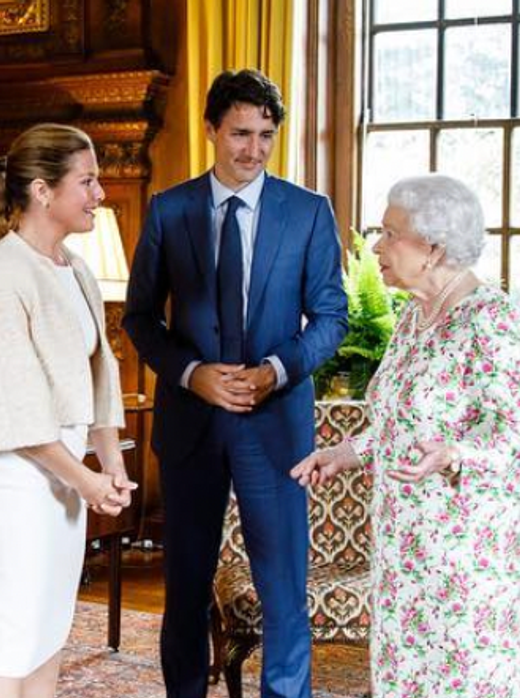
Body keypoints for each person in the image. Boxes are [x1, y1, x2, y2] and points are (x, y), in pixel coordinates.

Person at [123, 69, 348, 698]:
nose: (253, 149)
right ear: (212, 131)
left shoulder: (308, 213)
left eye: (266, 136)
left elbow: (331, 317)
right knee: (186, 586)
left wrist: (274, 370)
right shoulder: (170, 210)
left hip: (275, 427)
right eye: (241, 134)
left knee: (282, 588)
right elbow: (140, 317)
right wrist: (193, 376)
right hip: (191, 426)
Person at [290, 175, 520, 698]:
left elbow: (518, 434)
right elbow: (395, 422)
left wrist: (455, 452)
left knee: (463, 680)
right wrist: (347, 451)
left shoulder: (493, 318)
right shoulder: (415, 318)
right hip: (405, 545)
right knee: (406, 679)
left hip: (468, 551)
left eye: (389, 232)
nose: (375, 246)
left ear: (432, 247)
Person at [0, 123, 138, 698]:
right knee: (11, 640)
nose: (99, 194)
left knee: (47, 634)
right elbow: (16, 410)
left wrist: (111, 464)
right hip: (13, 480)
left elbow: (101, 369)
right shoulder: (0, 275)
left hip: (61, 478)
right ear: (41, 191)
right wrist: (84, 478)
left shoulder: (74, 267)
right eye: (87, 182)